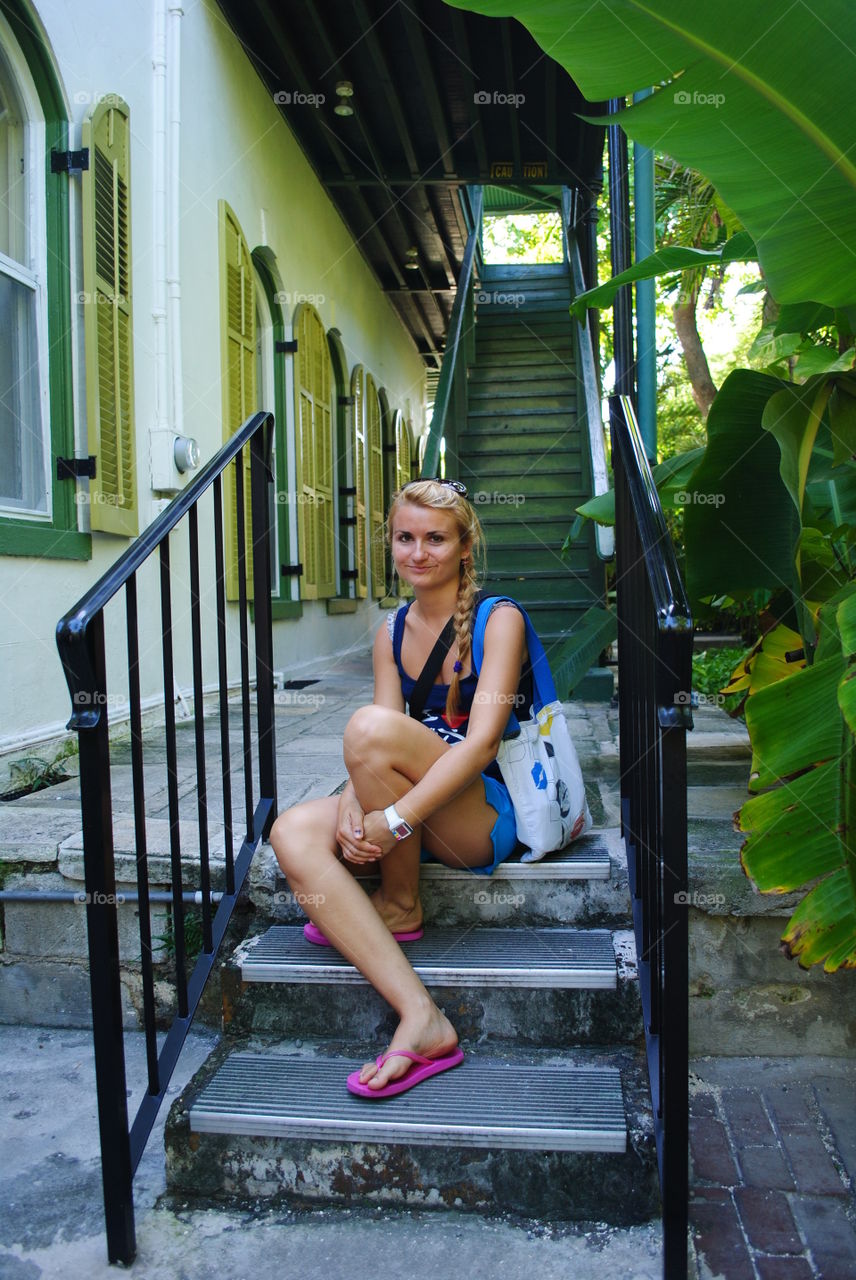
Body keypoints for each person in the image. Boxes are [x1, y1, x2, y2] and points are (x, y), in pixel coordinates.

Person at [269, 478, 529, 1098]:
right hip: (412, 809)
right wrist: (359, 807)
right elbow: (378, 744)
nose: (418, 552)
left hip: (479, 818)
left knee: (370, 731)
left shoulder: (501, 619)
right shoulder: (391, 631)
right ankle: (420, 1010)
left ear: (465, 546)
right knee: (292, 833)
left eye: (435, 539)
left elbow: (482, 744)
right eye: (405, 538)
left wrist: (393, 822)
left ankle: (398, 898)